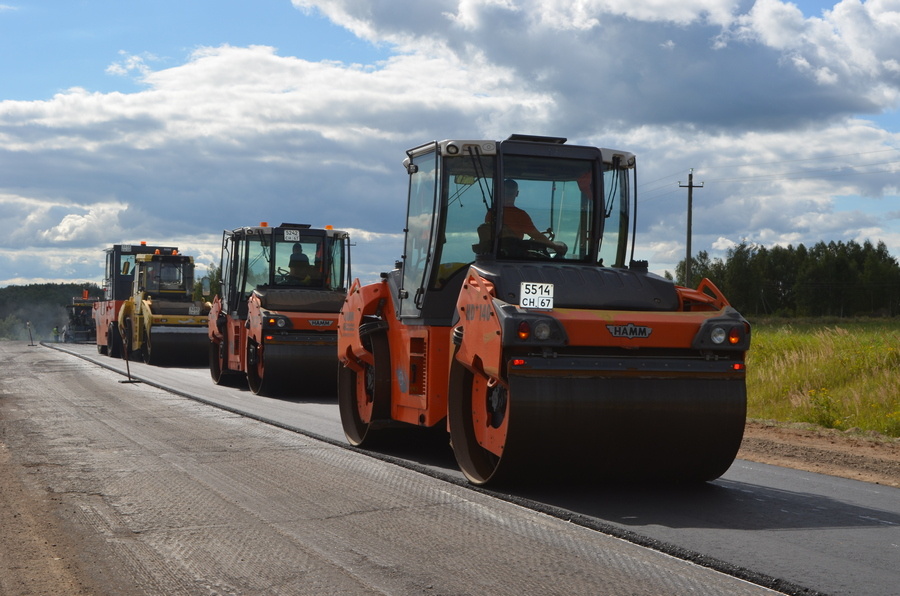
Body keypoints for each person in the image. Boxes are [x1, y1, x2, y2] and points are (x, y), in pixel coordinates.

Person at [491, 179, 566, 255]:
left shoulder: (492, 213)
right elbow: (537, 236)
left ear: (500, 193)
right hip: (513, 256)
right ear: (517, 193)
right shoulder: (520, 215)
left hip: (495, 254)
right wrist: (555, 246)